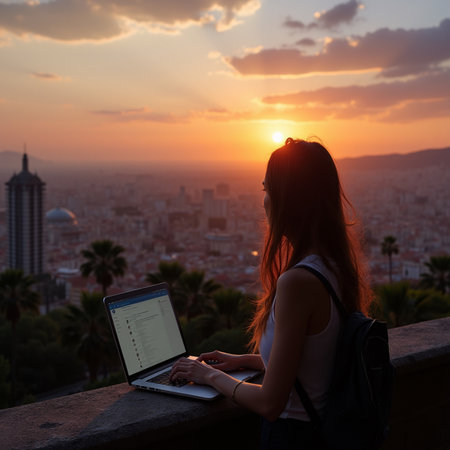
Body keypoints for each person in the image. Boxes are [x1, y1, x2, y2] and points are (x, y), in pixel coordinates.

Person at [170, 138, 372, 449]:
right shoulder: (336, 266)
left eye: (267, 190)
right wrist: (244, 360)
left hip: (293, 437)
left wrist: (207, 375)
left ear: (289, 200)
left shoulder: (298, 281)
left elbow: (270, 402)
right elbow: (314, 360)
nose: (264, 201)